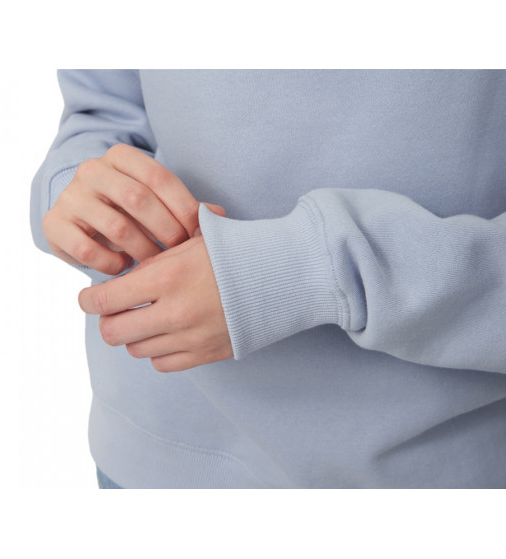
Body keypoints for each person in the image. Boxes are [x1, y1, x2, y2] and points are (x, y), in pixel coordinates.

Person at [31, 70, 506, 489]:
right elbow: (101, 110)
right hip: (152, 460)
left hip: (433, 474)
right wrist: (78, 191)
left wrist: (302, 271)